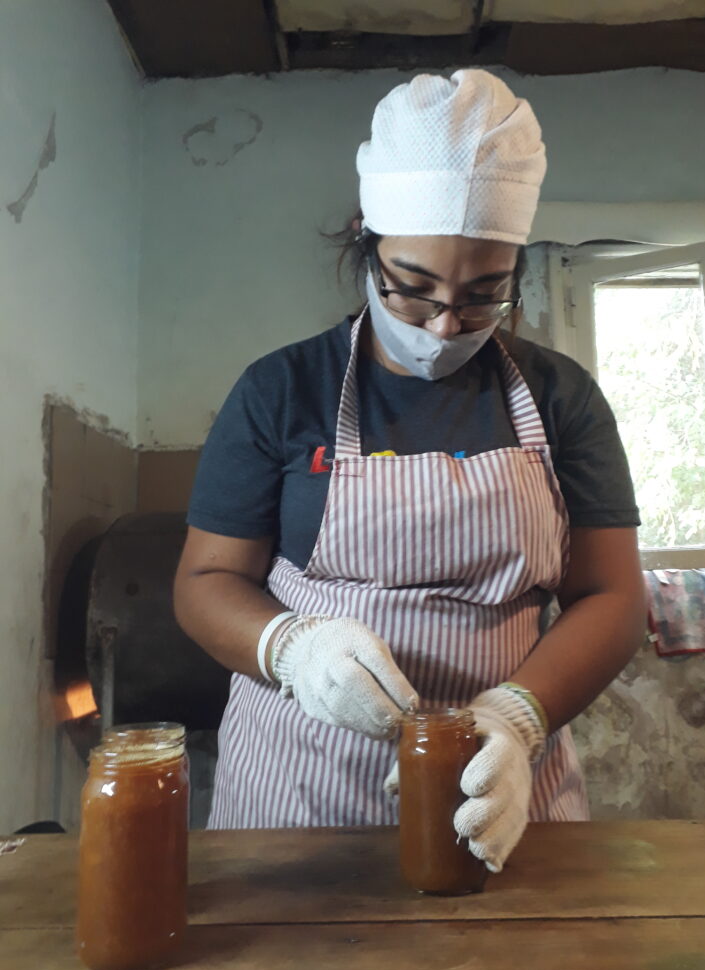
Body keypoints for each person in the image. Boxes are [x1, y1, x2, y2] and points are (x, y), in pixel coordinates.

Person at [174, 69, 645, 872]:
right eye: (412, 290)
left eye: (482, 296)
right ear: (367, 239)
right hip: (299, 796)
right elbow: (203, 582)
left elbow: (611, 596)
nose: (444, 323)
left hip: (497, 788)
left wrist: (519, 718)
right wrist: (291, 649)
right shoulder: (282, 390)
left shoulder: (561, 397)